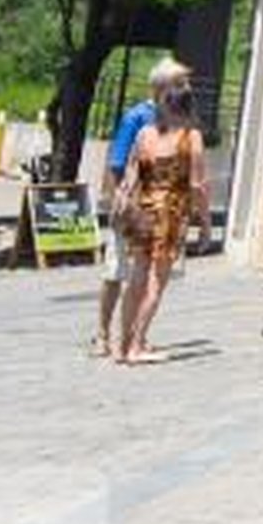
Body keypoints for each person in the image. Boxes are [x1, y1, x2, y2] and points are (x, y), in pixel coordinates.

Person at [110, 62, 208, 367]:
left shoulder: (144, 134)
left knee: (136, 277)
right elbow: (197, 185)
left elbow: (129, 176)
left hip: (142, 210)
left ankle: (121, 344)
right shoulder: (190, 137)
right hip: (171, 213)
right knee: (156, 281)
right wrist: (204, 222)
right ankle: (137, 345)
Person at [89, 61, 172, 358]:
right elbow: (116, 162)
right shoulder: (136, 117)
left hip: (157, 210)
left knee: (144, 275)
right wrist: (115, 203)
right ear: (162, 87)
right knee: (115, 272)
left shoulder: (174, 120)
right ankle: (101, 334)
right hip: (132, 206)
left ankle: (134, 336)